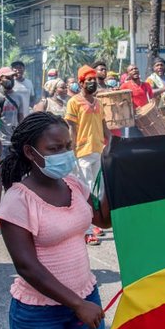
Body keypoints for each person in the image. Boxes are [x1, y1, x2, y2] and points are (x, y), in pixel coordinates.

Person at [0, 112, 111, 329]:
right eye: (54, 149)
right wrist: (77, 305)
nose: (64, 154)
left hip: (86, 298)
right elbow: (26, 267)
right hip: (39, 313)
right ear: (31, 152)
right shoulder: (17, 201)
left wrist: (111, 172)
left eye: (67, 146)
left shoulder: (73, 185)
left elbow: (103, 220)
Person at [66, 65, 111, 246]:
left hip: (98, 150)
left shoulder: (99, 103)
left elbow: (104, 126)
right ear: (81, 83)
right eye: (88, 80)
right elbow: (71, 128)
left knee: (97, 190)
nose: (92, 82)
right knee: (87, 189)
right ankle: (88, 230)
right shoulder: (74, 102)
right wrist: (71, 151)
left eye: (94, 79)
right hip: (81, 152)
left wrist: (113, 142)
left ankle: (94, 224)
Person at [0, 67, 23, 209]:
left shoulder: (18, 97)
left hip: (13, 141)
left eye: (12, 77)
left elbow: (20, 118)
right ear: (0, 79)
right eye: (8, 77)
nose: (11, 80)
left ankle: (10, 207)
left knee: (13, 175)